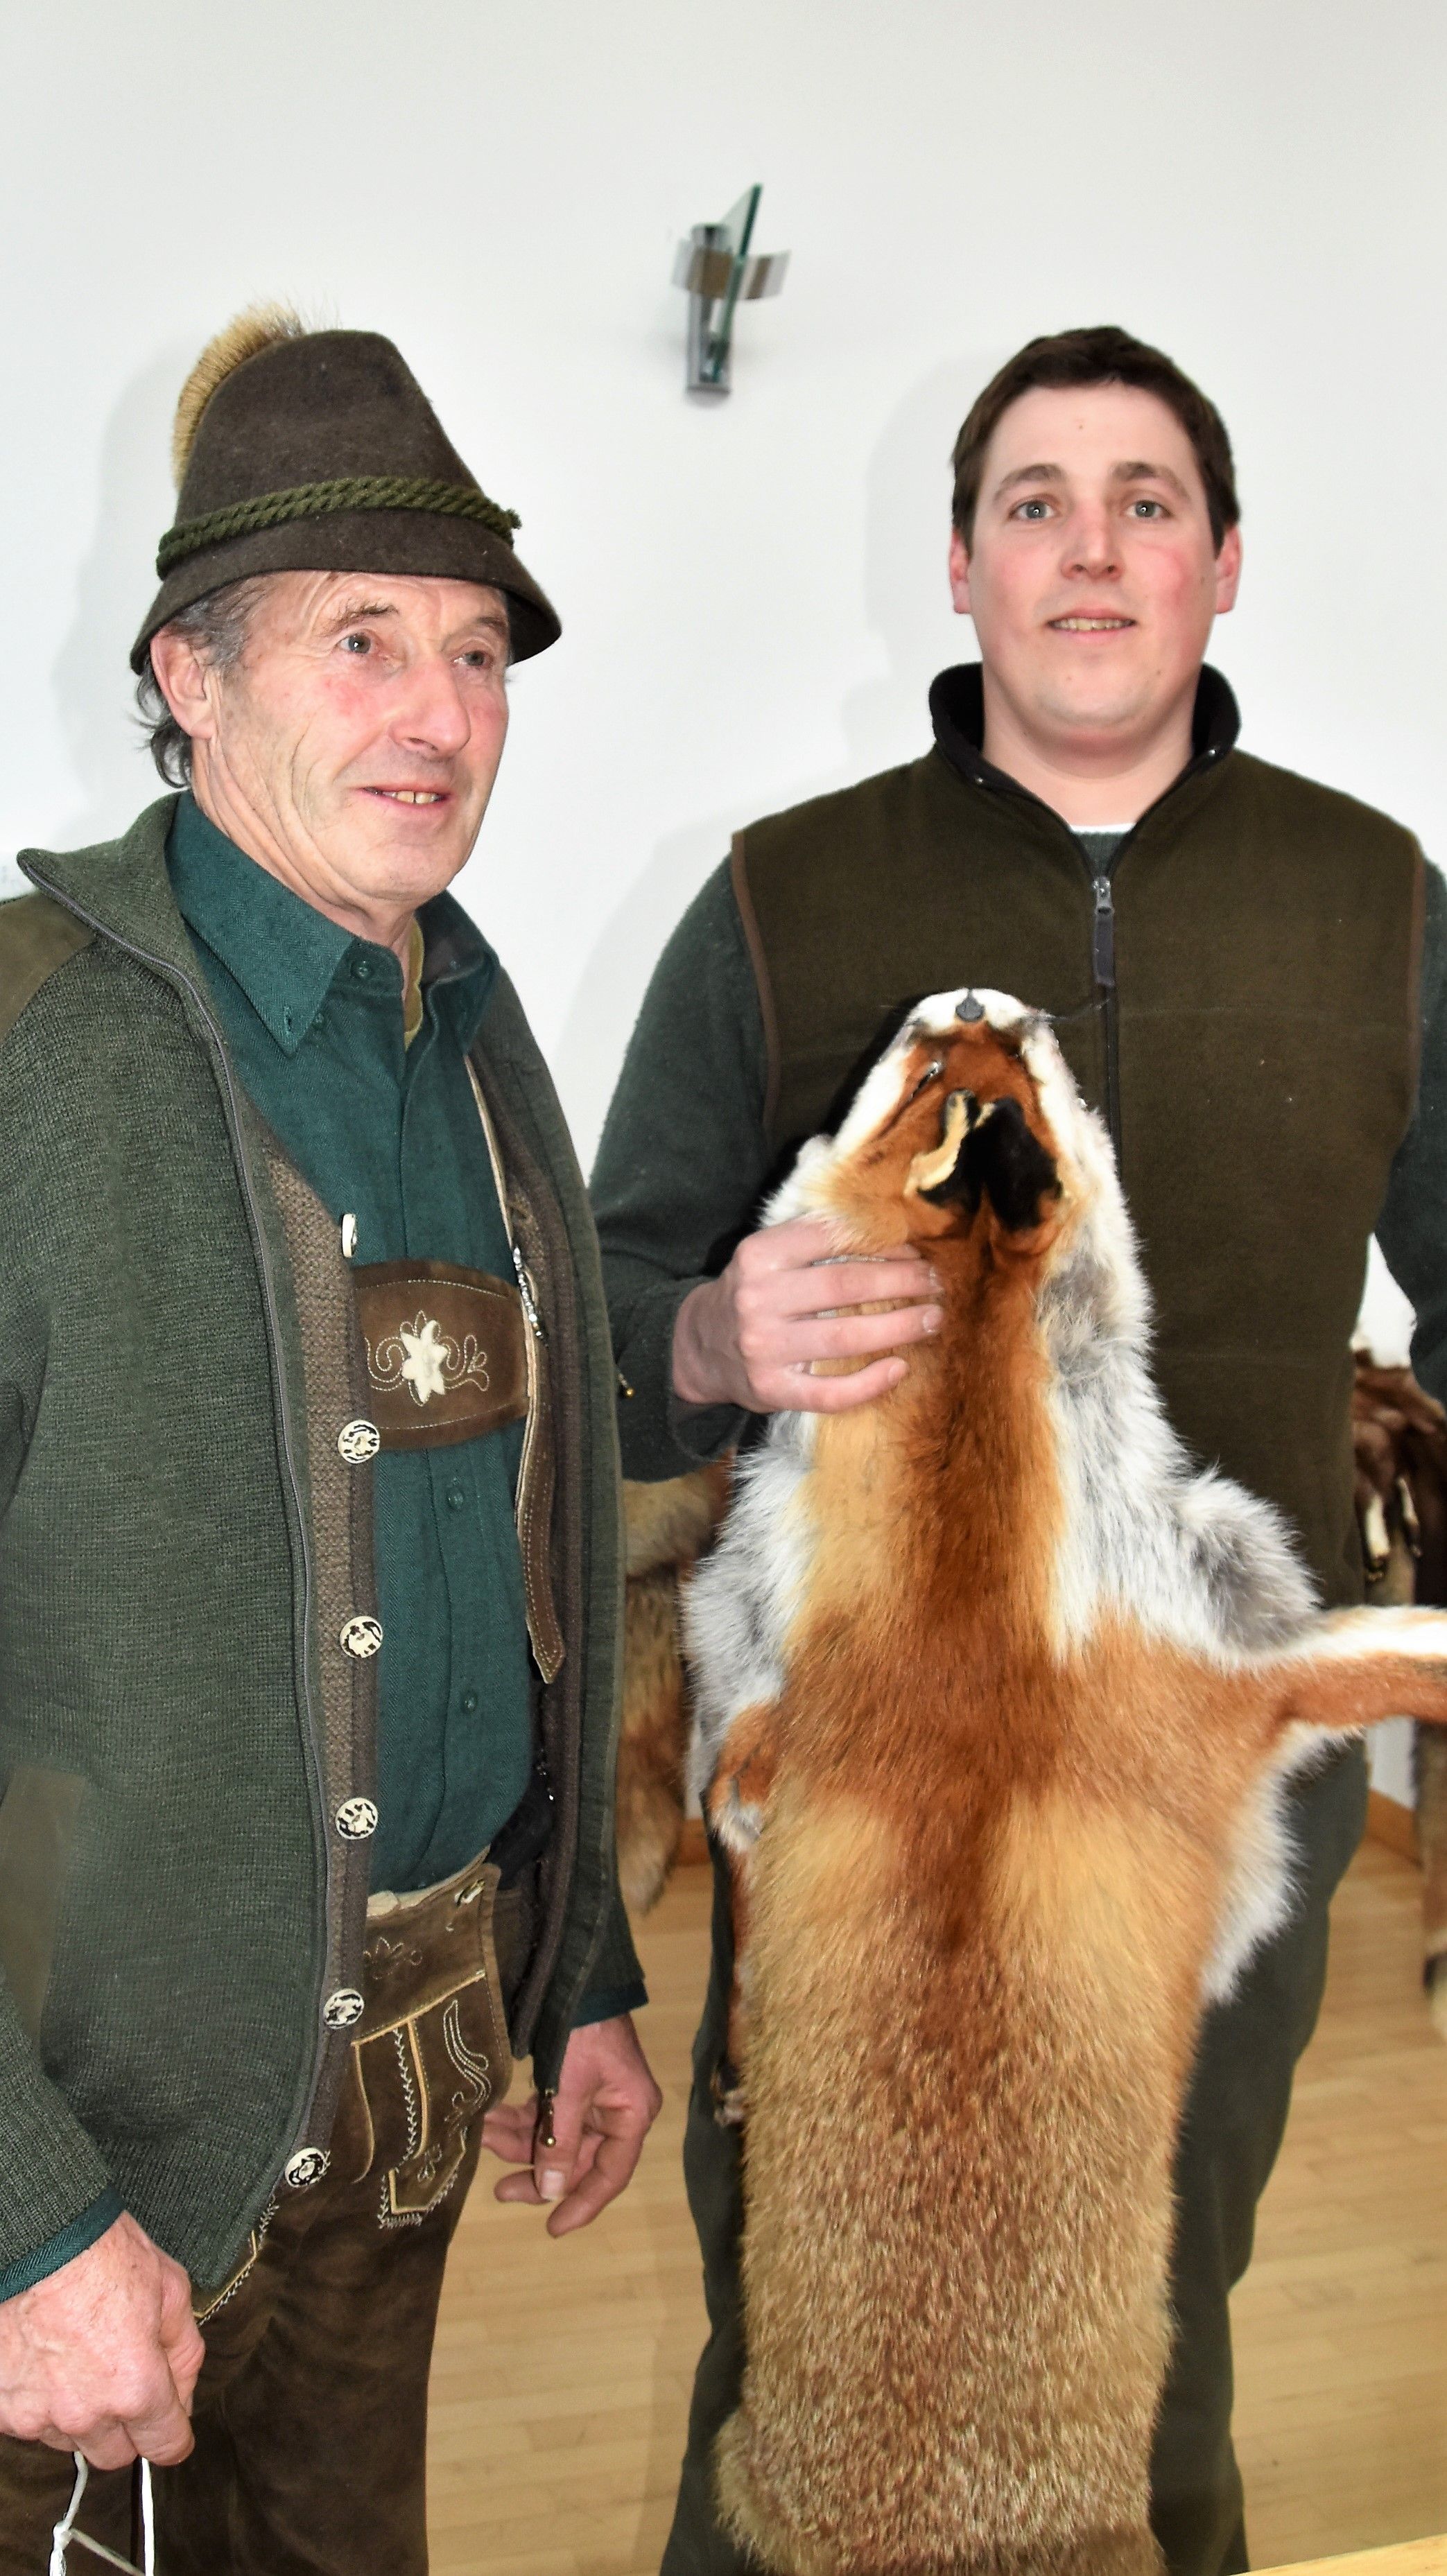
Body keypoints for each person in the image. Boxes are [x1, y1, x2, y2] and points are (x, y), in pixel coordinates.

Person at [591, 322, 1447, 2576]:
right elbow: (600, 1304)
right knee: (805, 2368)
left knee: (1155, 2360)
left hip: (1202, 1790)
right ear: (958, 567)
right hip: (861, 1802)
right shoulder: (783, 898)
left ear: (1226, 563)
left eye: (1146, 503)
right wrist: (709, 1327)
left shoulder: (1375, 899)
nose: (1091, 548)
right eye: (1034, 504)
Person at [0, 306, 659, 2575]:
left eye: (476, 654)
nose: (441, 713)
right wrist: (23, 2218)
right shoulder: (28, 1050)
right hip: (87, 2178)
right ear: (189, 675)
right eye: (362, 638)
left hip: (405, 2123)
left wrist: (577, 1965)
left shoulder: (472, 1032)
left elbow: (521, 1555)